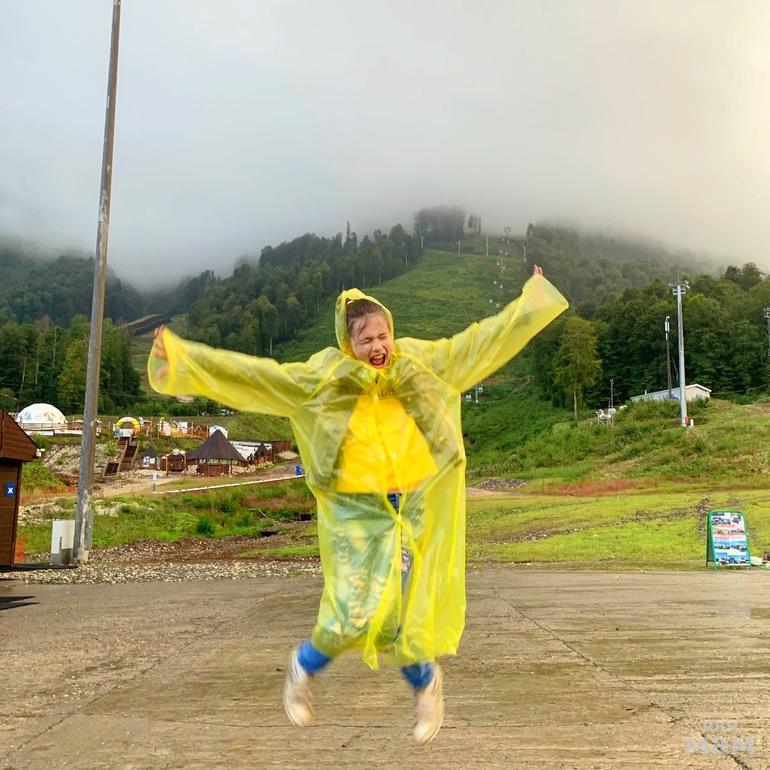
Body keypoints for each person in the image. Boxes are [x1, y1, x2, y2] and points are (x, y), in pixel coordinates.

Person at [147, 264, 567, 744]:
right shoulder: (325, 380)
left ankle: (425, 682)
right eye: (365, 339)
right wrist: (184, 358)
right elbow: (257, 376)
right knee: (351, 614)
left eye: (383, 335)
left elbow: (480, 341)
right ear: (349, 344)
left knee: (396, 617)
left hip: (409, 509)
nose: (377, 346)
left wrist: (530, 302)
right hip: (355, 514)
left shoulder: (420, 365)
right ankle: (303, 668)